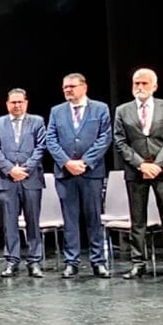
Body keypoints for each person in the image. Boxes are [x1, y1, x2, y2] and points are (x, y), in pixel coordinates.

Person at [112, 69, 163, 280]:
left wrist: (158, 165)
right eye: (136, 83)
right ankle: (138, 263)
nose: (140, 87)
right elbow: (120, 141)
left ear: (154, 86)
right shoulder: (123, 110)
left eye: (144, 83)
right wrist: (141, 164)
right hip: (136, 171)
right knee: (137, 220)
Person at [45, 73, 113, 278]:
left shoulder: (100, 109)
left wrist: (84, 162)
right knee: (70, 218)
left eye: (72, 87)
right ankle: (71, 261)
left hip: (91, 172)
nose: (67, 90)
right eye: (65, 87)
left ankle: (98, 261)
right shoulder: (56, 111)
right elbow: (51, 139)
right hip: (65, 174)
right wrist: (67, 162)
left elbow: (104, 137)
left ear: (84, 87)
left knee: (93, 217)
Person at [0, 89, 47, 279]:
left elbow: (41, 147)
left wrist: (25, 169)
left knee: (33, 222)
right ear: (7, 104)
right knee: (9, 223)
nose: (17, 105)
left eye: (20, 102)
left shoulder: (37, 121)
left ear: (26, 103)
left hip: (31, 179)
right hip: (7, 180)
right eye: (13, 102)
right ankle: (12, 261)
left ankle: (34, 261)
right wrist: (10, 169)